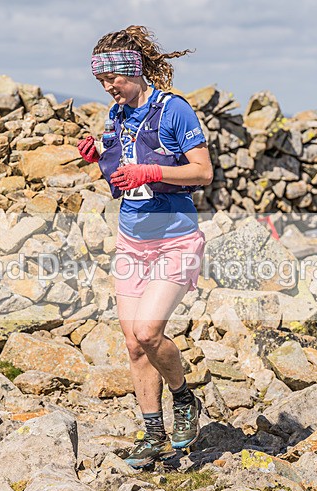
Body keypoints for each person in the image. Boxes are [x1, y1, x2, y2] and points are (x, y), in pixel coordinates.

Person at [77, 25, 214, 468]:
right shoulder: (116, 117)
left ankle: (185, 399)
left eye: (111, 79)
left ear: (132, 70)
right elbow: (123, 180)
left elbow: (203, 173)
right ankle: (153, 433)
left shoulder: (175, 111)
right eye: (101, 82)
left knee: (148, 333)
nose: (107, 88)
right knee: (134, 346)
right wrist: (100, 159)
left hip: (175, 239)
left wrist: (153, 173)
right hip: (132, 242)